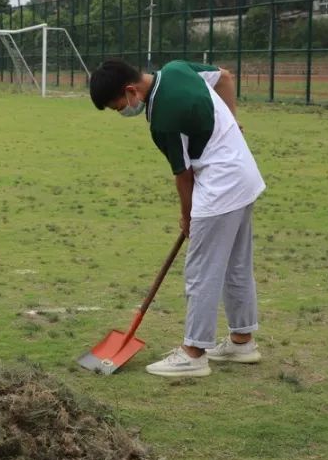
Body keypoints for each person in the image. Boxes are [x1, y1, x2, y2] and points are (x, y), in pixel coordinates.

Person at [89, 59, 266, 379]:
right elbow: (224, 77)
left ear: (131, 91)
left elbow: (183, 175)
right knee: (236, 264)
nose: (122, 113)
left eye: (118, 107)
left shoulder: (162, 120)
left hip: (220, 188)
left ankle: (194, 354)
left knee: (201, 271)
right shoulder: (177, 69)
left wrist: (187, 217)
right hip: (244, 176)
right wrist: (232, 126)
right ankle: (242, 342)